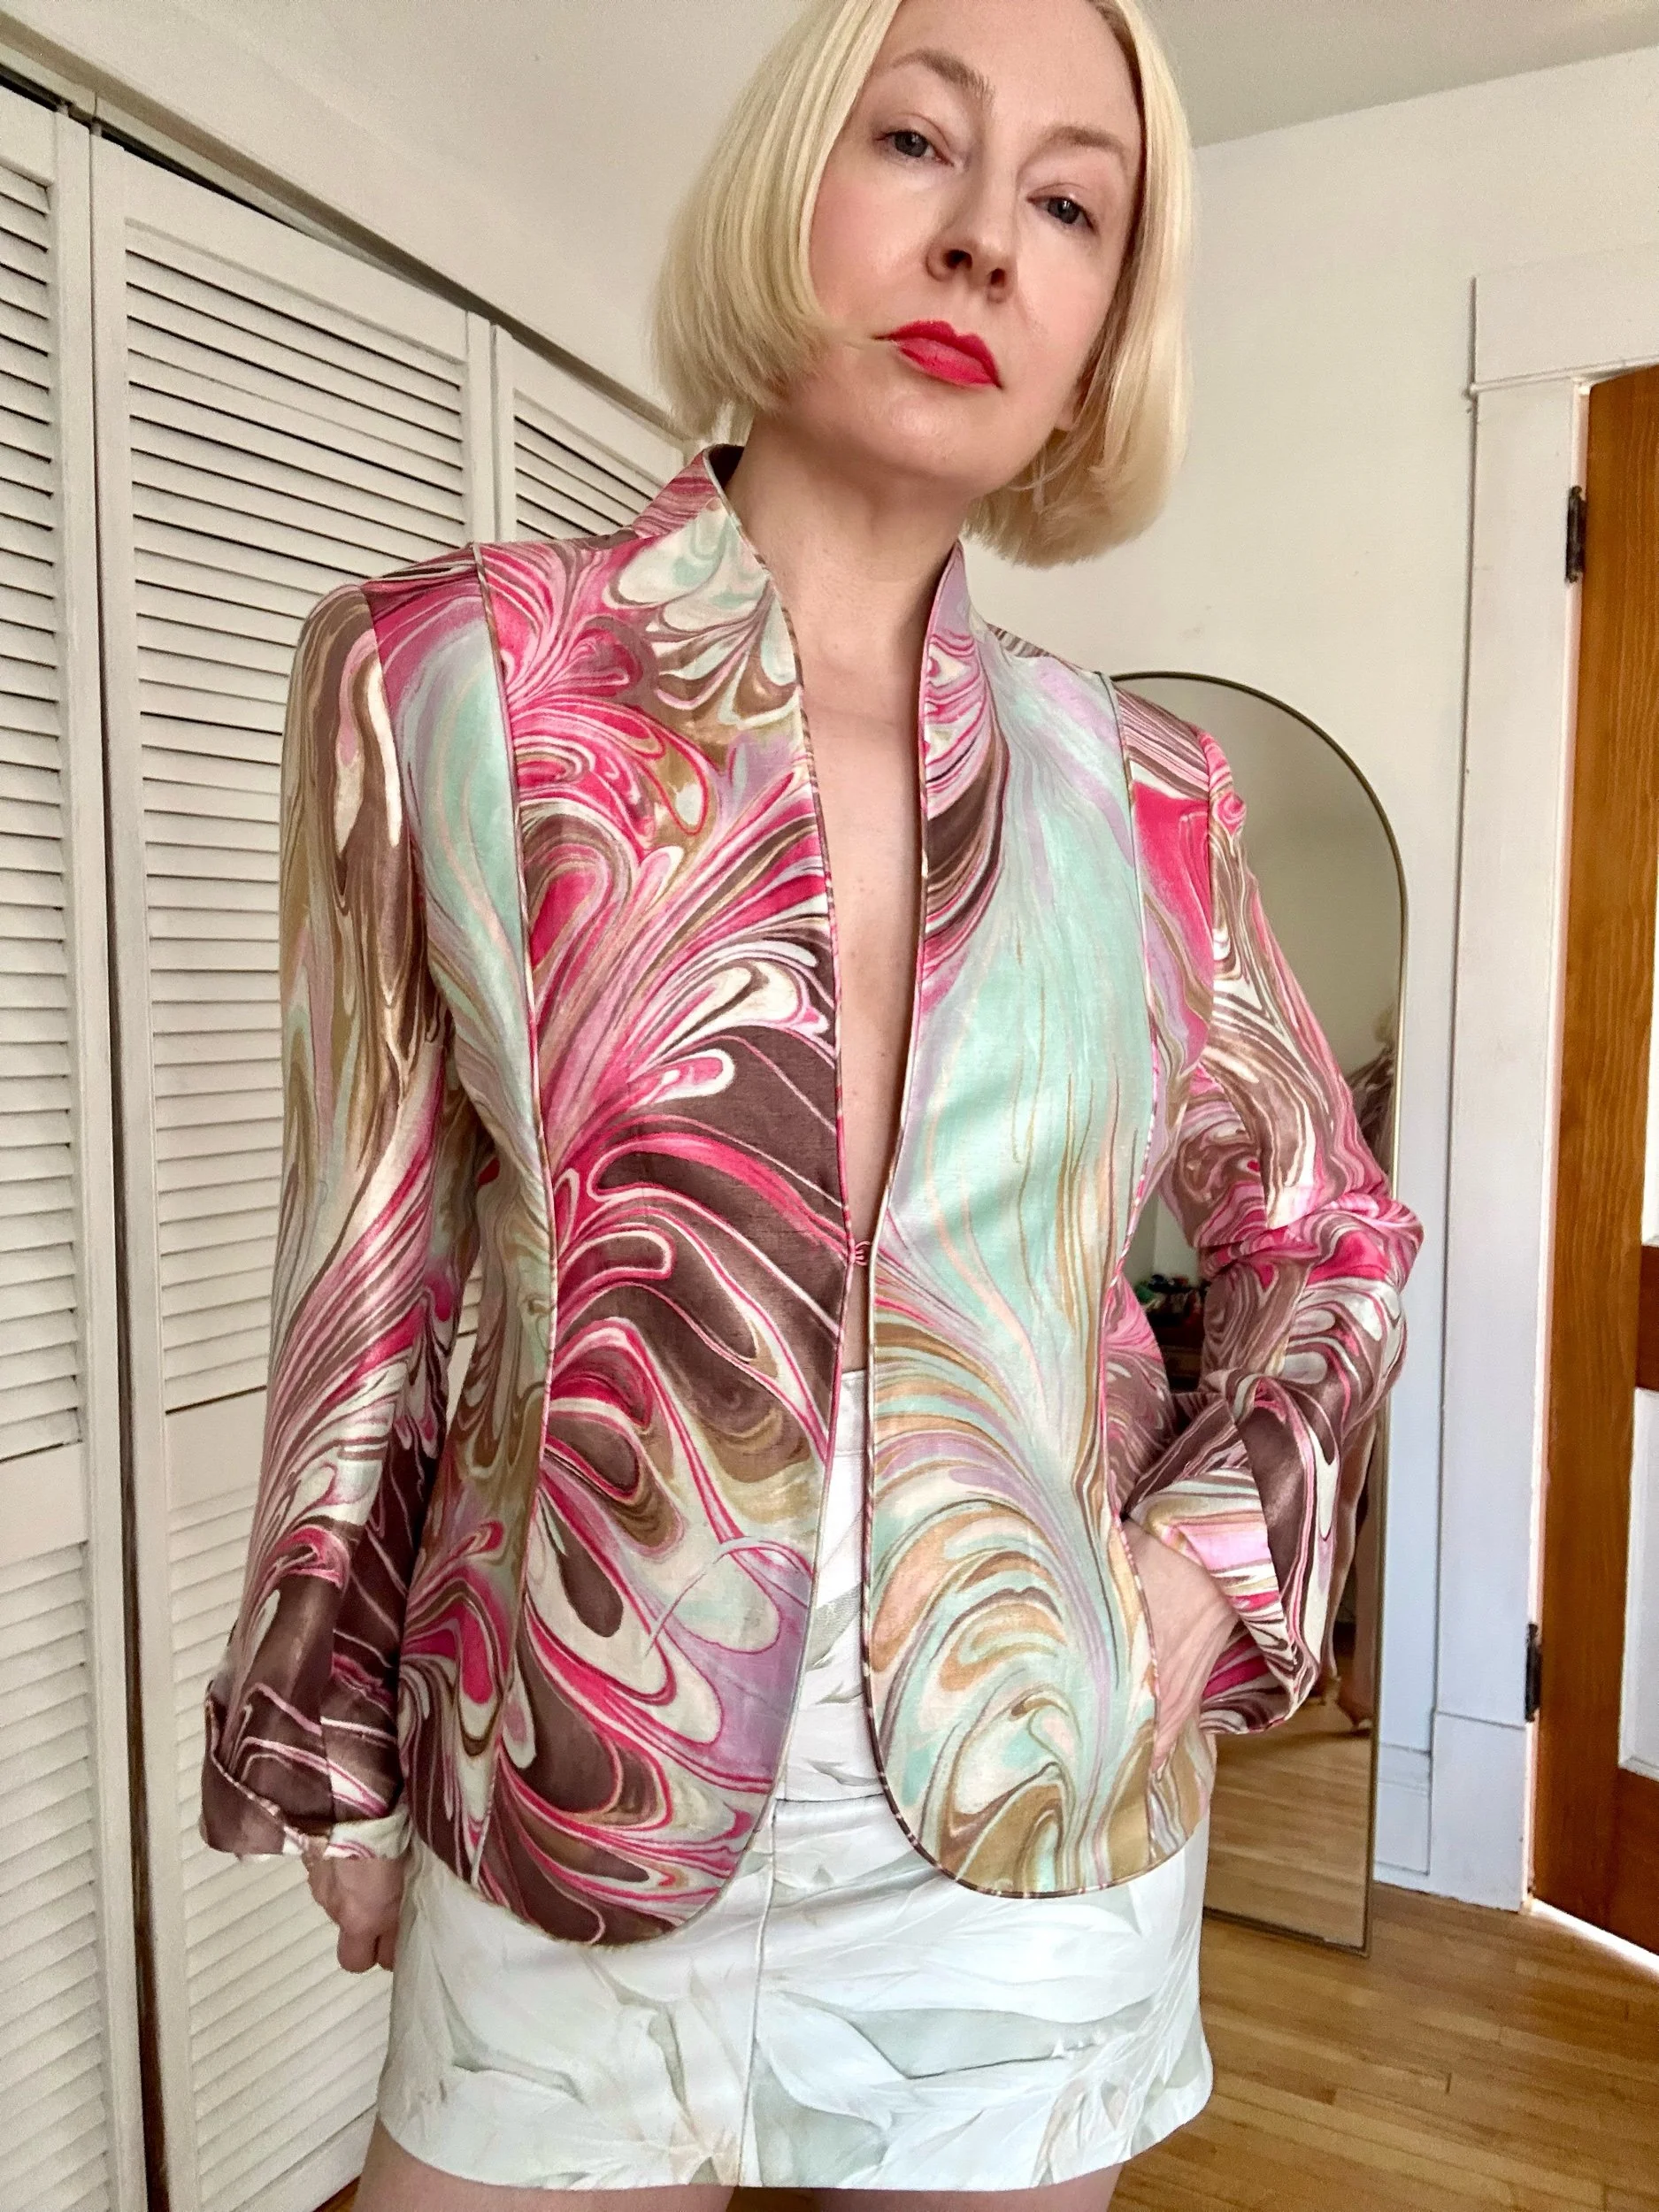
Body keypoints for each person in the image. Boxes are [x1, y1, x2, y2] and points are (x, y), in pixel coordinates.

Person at [200, 0, 1423, 2204]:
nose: (983, 243)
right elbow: (366, 1264)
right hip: (568, 1764)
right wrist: (331, 1734)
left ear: (1099, 338)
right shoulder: (446, 677)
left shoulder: (1148, 796)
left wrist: (1207, 1560)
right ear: (791, 182)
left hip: (1025, 1801)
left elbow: (1329, 1237)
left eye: (1071, 206)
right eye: (917, 144)